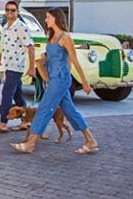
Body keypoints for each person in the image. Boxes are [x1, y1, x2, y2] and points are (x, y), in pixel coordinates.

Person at [12, 8, 99, 154]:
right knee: (70, 111)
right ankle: (91, 141)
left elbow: (74, 61)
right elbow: (50, 57)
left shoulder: (65, 37)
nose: (45, 20)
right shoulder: (51, 37)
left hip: (61, 79)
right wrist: (42, 66)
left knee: (44, 108)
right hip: (54, 79)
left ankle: (31, 143)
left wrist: (84, 82)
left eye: (48, 17)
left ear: (56, 18)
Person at [0, 0, 35, 133]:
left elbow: (30, 47)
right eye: (7, 10)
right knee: (18, 94)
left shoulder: (21, 27)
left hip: (16, 66)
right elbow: (3, 48)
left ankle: (3, 122)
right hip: (6, 65)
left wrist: (32, 67)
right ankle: (27, 121)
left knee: (7, 93)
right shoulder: (4, 28)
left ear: (17, 12)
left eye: (13, 10)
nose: (10, 12)